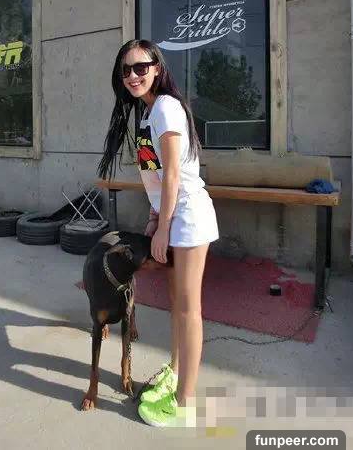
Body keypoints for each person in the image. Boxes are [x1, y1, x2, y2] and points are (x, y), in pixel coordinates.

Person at [97, 39, 219, 427]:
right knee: (177, 306)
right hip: (171, 215)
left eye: (141, 67)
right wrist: (155, 218)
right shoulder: (149, 113)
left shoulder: (165, 107)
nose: (133, 75)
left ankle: (184, 401)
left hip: (188, 217)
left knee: (188, 309)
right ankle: (175, 370)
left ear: (157, 68)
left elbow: (173, 177)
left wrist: (163, 228)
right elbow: (156, 176)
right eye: (126, 70)